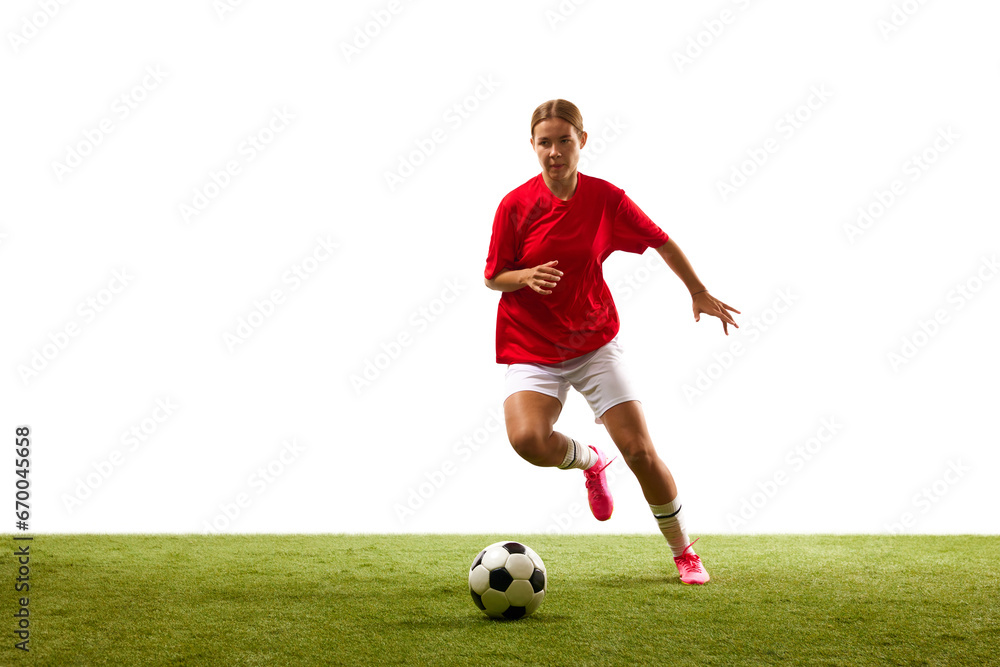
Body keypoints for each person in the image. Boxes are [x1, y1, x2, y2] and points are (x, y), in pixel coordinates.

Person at [483, 99, 739, 585]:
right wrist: (526, 276)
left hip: (592, 342)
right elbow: (494, 277)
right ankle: (591, 461)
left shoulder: (606, 199)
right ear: (532, 146)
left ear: (582, 140)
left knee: (640, 451)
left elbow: (661, 239)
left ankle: (684, 552)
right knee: (527, 440)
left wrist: (698, 291)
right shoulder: (515, 205)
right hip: (532, 346)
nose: (554, 152)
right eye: (545, 142)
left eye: (564, 140)